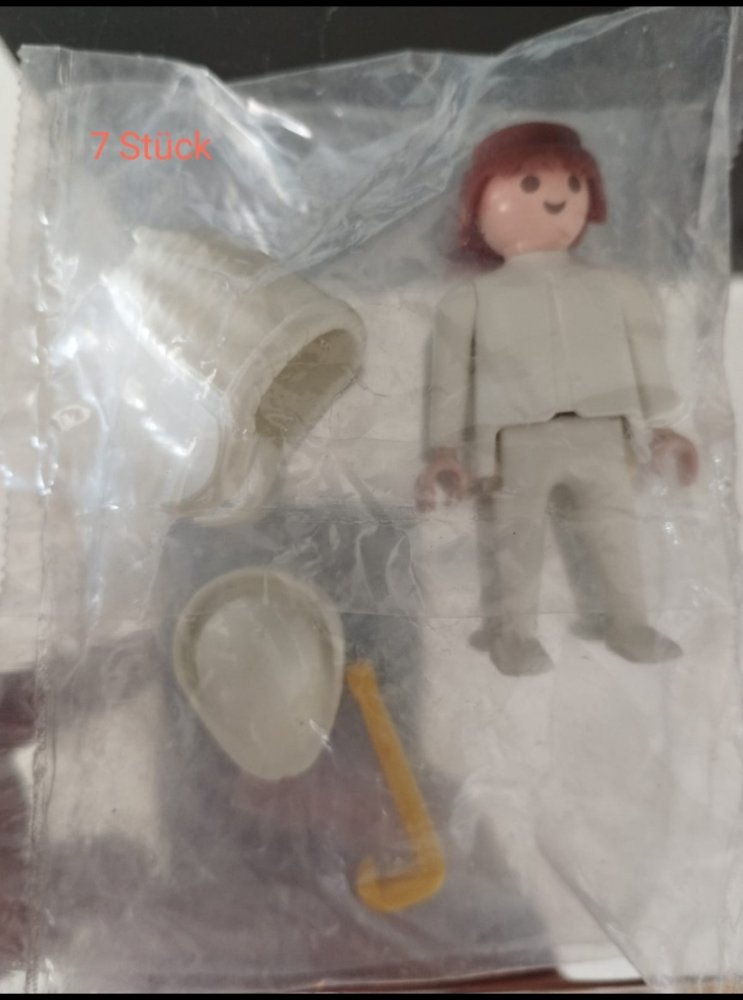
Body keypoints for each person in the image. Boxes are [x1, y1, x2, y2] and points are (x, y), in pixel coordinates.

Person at [415, 122, 698, 675]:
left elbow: (647, 358)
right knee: (516, 543)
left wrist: (663, 426)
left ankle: (631, 624)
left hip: (604, 434)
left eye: (573, 183)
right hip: (517, 442)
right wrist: (445, 448)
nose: (556, 198)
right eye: (529, 184)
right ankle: (513, 634)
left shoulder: (619, 288)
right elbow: (448, 379)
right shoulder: (471, 300)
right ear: (479, 203)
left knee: (616, 536)